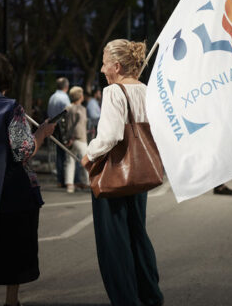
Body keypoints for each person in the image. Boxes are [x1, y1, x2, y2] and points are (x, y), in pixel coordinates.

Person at [0, 53, 56, 306]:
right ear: (5, 81)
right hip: (12, 191)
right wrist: (41, 133)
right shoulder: (9, 108)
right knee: (14, 249)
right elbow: (23, 151)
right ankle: (11, 300)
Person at [81, 39, 164, 306]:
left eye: (105, 63)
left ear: (117, 66)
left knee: (114, 243)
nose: (103, 69)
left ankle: (126, 299)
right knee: (138, 233)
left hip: (114, 175)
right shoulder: (147, 90)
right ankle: (150, 295)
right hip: (140, 172)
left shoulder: (114, 92)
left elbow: (110, 136)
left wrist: (88, 155)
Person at [63, 86, 89, 193]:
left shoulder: (67, 108)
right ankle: (86, 182)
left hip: (69, 138)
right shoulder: (81, 109)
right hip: (79, 138)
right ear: (80, 96)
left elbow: (64, 123)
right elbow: (79, 125)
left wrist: (68, 137)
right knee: (86, 161)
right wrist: (74, 137)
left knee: (70, 161)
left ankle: (69, 184)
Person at [48, 77, 70, 187]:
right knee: (65, 154)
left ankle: (59, 180)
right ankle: (66, 179)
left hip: (53, 126)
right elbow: (68, 114)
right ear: (66, 87)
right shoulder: (64, 98)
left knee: (58, 153)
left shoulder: (52, 97)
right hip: (62, 127)